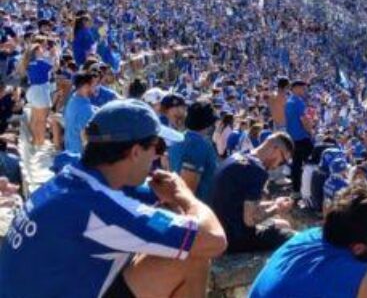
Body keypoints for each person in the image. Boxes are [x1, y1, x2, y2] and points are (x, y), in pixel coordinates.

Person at [0, 99, 227, 298]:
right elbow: (214, 240)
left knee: (178, 240)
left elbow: (136, 199)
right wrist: (185, 195)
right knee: (193, 253)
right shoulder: (102, 209)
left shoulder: (74, 176)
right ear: (135, 152)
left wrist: (167, 195)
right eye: (157, 147)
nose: (161, 155)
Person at [210, 132, 295, 253]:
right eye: (282, 161)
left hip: (219, 228)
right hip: (234, 239)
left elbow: (243, 202)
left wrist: (273, 203)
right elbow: (250, 220)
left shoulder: (239, 156)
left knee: (282, 224)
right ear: (276, 150)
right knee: (294, 237)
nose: (277, 166)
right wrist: (276, 208)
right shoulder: (257, 171)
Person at [168, 99, 219, 202]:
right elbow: (188, 190)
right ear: (208, 124)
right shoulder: (198, 145)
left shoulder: (180, 138)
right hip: (195, 210)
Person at [285, 80, 315, 197]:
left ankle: (296, 190)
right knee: (313, 162)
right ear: (296, 88)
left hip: (292, 138)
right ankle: (310, 191)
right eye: (303, 88)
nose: (305, 91)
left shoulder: (288, 102)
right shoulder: (298, 102)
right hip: (302, 138)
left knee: (296, 164)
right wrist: (310, 131)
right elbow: (304, 120)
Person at [62, 70, 99, 154]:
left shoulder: (73, 99)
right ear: (86, 86)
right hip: (80, 155)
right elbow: (85, 137)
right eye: (94, 85)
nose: (96, 87)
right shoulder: (85, 109)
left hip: (70, 149)